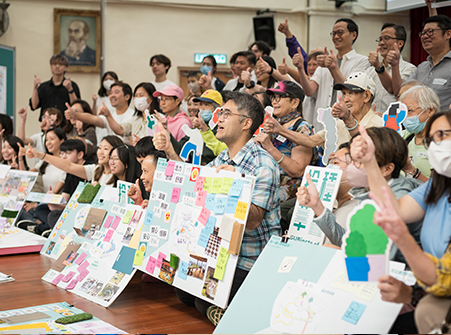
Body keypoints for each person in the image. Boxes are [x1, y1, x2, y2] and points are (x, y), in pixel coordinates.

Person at [348, 109, 451, 329]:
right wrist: (369, 162)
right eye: (432, 139)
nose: (436, 144)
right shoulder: (437, 186)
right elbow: (394, 209)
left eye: (443, 135)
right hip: (435, 287)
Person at [175, 91, 281, 326]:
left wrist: (237, 186)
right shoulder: (222, 157)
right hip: (221, 254)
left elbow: (253, 220)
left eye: (225, 113)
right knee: (183, 291)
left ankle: (237, 317)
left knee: (203, 300)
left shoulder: (263, 164)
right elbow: (197, 191)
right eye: (219, 113)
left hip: (250, 261)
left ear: (246, 123)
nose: (218, 119)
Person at [298, 127, 423, 259]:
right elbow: (351, 241)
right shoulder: (368, 192)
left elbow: (380, 255)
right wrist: (317, 206)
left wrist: (342, 254)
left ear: (387, 169)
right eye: (352, 159)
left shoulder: (400, 196)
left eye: (362, 161)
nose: (352, 166)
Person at [264, 72, 383, 150]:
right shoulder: (339, 124)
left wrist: (347, 118)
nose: (346, 99)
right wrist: (280, 130)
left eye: (351, 93)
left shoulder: (379, 125)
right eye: (344, 93)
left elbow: (364, 146)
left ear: (366, 96)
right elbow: (311, 141)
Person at [292, 18, 369, 119]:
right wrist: (301, 69)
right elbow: (309, 91)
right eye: (333, 33)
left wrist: (333, 68)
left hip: (346, 121)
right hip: (322, 122)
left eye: (340, 32)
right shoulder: (325, 62)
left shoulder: (361, 61)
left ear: (353, 35)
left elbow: (351, 91)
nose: (336, 37)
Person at [391, 15, 451, 110]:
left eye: (430, 32)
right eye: (423, 33)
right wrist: (395, 65)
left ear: (448, 34)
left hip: (446, 123)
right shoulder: (422, 67)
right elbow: (400, 93)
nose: (425, 36)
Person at [255, 81, 314, 201]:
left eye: (280, 97)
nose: (274, 101)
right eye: (273, 97)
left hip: (286, 193)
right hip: (265, 185)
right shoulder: (273, 124)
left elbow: (297, 171)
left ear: (295, 102)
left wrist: (270, 148)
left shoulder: (302, 128)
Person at [27, 135, 123, 186]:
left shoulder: (120, 174)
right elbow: (69, 166)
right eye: (100, 148)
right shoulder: (96, 170)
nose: (101, 152)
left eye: (105, 149)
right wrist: (40, 155)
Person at [367, 23, 416, 113]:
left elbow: (399, 93)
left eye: (386, 38)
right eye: (380, 39)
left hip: (394, 124)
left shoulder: (409, 69)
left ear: (400, 43)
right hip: (372, 122)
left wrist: (379, 66)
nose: (381, 43)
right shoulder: (370, 71)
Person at [65, 81, 135, 141]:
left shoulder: (133, 115)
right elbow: (92, 118)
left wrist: (108, 115)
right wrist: (75, 115)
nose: (112, 95)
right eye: (110, 93)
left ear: (127, 97)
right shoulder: (111, 114)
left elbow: (120, 131)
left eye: (116, 92)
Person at [399, 85, 440, 181]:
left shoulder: (440, 144)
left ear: (430, 110)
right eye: (403, 112)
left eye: (410, 111)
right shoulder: (403, 135)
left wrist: (411, 171)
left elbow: (440, 189)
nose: (405, 117)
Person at [30, 54, 80, 120]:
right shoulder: (44, 87)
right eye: (54, 64)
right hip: (47, 124)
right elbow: (34, 106)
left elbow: (77, 107)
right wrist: (35, 88)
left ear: (66, 67)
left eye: (60, 64)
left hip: (66, 125)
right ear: (51, 66)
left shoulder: (72, 85)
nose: (57, 66)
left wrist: (70, 89)